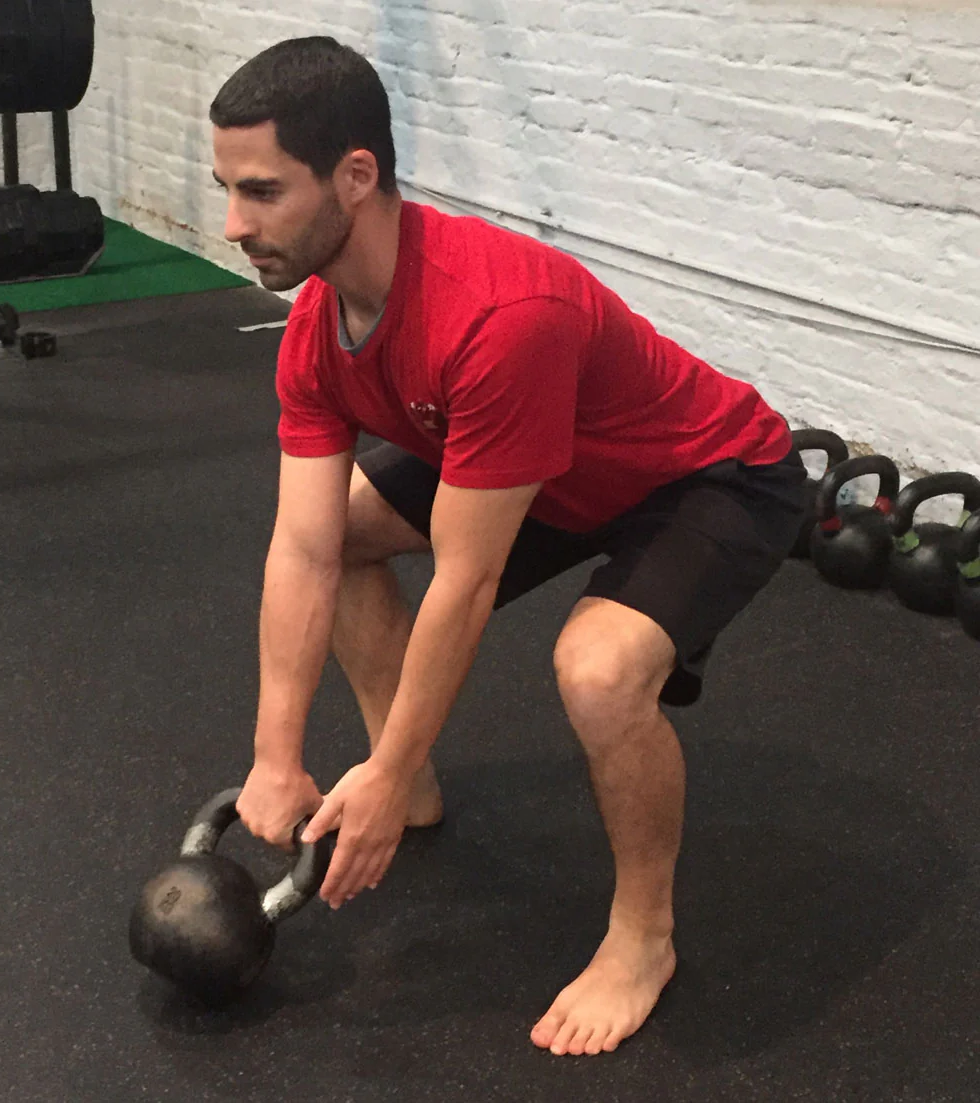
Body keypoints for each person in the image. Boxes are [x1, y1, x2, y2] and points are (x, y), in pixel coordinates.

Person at [207, 36, 806, 1056]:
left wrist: (379, 769)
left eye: (262, 192)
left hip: (706, 476)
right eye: (225, 189)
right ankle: (415, 776)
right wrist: (276, 755)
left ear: (356, 176)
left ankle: (643, 935)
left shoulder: (495, 315)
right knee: (346, 530)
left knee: (599, 672)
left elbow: (467, 575)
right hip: (542, 460)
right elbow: (302, 547)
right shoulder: (317, 326)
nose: (233, 225)